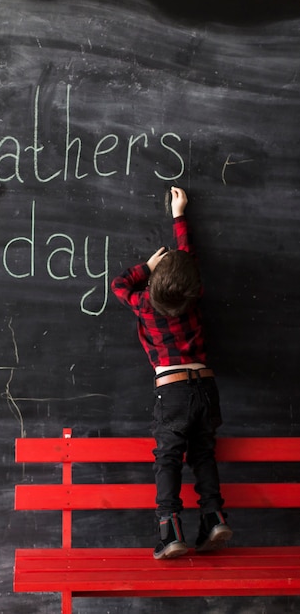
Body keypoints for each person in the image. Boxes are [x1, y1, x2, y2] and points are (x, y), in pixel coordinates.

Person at [111, 187, 232, 559]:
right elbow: (188, 258)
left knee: (168, 457)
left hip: (174, 391)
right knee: (203, 454)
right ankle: (213, 517)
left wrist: (145, 268)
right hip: (205, 385)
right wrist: (179, 216)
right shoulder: (193, 299)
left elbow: (118, 285)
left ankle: (170, 528)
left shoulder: (145, 304)